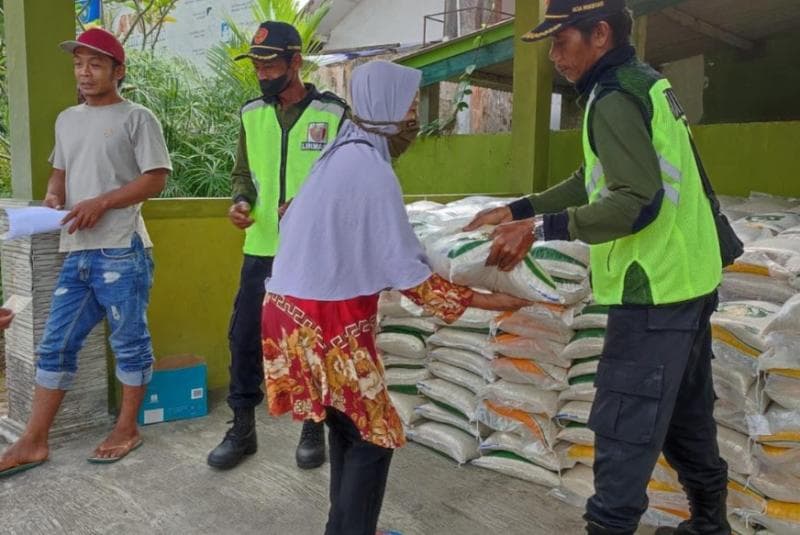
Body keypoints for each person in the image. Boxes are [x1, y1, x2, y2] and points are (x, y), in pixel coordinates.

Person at [466, 2, 730, 534]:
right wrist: (520, 208)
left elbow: (636, 200)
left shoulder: (613, 97)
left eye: (562, 42)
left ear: (600, 34)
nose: (555, 58)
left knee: (623, 431)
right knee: (685, 416)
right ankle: (709, 524)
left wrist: (538, 231)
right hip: (689, 282)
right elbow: (594, 181)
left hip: (652, 290)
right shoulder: (639, 83)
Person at [261, 60, 530, 535]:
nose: (412, 119)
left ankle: (348, 527)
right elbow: (409, 275)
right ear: (382, 107)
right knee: (374, 436)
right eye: (407, 107)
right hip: (326, 323)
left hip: (289, 314)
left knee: (349, 428)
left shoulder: (340, 154)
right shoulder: (369, 169)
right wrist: (489, 301)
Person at [0, 27, 171, 478]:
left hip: (121, 251)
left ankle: (127, 429)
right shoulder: (67, 119)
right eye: (79, 64)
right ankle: (34, 441)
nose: (84, 72)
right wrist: (54, 197)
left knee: (129, 343)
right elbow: (60, 172)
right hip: (76, 250)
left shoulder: (138, 117)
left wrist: (102, 202)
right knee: (55, 344)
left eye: (95, 64)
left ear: (119, 70)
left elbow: (156, 178)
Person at [207, 21, 350, 471]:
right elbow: (242, 175)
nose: (263, 74)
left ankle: (313, 426)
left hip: (314, 253)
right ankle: (242, 428)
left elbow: (350, 181)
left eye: (271, 65)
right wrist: (240, 202)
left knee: (312, 342)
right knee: (244, 337)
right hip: (262, 247)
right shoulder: (251, 113)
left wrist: (312, 204)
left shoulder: (333, 114)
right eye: (257, 67)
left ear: (295, 62)